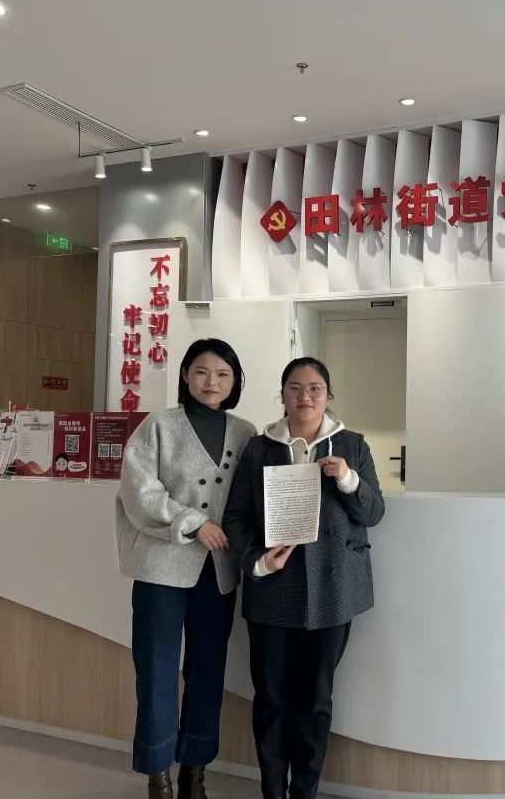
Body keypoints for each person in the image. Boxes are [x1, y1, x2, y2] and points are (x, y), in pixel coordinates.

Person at [224, 357, 385, 799]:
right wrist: (257, 562)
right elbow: (236, 516)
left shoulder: (351, 444)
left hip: (334, 589)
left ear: (328, 395)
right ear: (282, 395)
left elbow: (374, 512)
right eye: (295, 387)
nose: (305, 396)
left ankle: (305, 793)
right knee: (271, 698)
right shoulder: (259, 448)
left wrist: (348, 479)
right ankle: (273, 792)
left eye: (315, 388)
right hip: (273, 589)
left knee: (316, 701)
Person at [116, 338, 257, 799]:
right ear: (184, 375)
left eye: (222, 374)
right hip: (161, 567)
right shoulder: (158, 425)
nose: (211, 382)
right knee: (156, 668)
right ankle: (158, 775)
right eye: (201, 371)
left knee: (208, 670)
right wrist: (193, 522)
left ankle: (195, 773)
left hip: (218, 571)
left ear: (235, 381)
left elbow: (254, 496)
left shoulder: (246, 433)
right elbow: (139, 492)